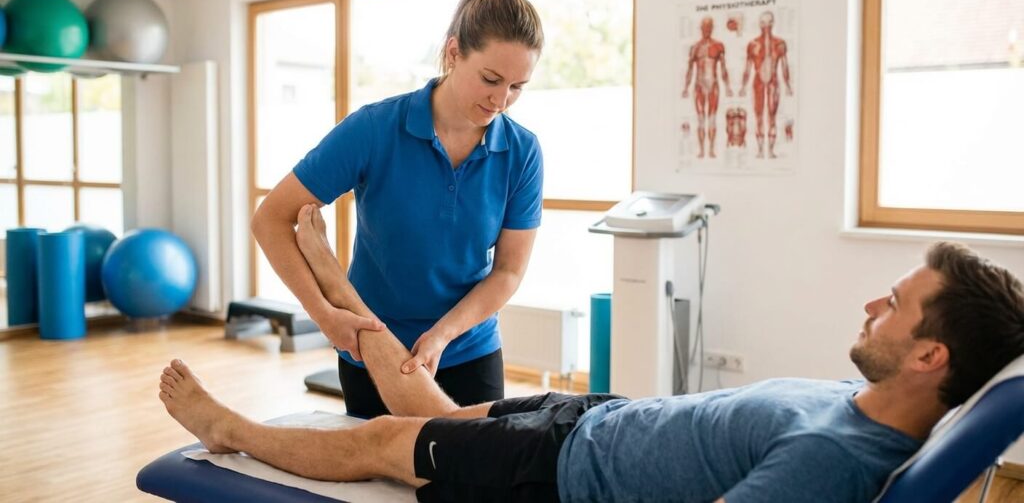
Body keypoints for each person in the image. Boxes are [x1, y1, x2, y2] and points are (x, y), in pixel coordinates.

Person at [161, 222, 1024, 502]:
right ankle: (334, 276)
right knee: (424, 400)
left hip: (564, 468)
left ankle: (230, 430)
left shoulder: (831, 458)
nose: (872, 304)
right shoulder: (858, 402)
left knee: (385, 436)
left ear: (930, 354)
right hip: (597, 416)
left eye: (894, 303)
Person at [249, 0, 545, 417]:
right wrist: (324, 316)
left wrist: (442, 335)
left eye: (517, 87)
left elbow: (507, 271)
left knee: (477, 464)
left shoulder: (522, 151)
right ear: (453, 52)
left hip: (468, 350)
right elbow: (270, 219)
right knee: (380, 465)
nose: (501, 100)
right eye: (491, 79)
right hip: (370, 349)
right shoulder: (375, 129)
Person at [739, 10, 792, 159]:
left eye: (768, 22)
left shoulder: (780, 44)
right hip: (758, 83)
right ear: (759, 24)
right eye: (763, 23)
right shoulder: (753, 44)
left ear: (773, 23)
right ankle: (761, 150)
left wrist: (788, 85)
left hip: (773, 82)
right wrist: (743, 86)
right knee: (759, 116)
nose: (766, 26)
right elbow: (748, 68)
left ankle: (771, 150)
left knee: (772, 116)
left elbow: (785, 66)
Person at [682, 16, 732, 159]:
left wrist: (727, 86)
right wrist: (686, 87)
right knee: (700, 119)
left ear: (712, 28)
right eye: (705, 27)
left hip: (713, 85)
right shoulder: (695, 48)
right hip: (699, 85)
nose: (707, 30)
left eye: (709, 27)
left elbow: (723, 68)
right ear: (701, 28)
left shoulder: (718, 46)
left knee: (712, 118)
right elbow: (690, 69)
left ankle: (711, 150)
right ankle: (701, 150)